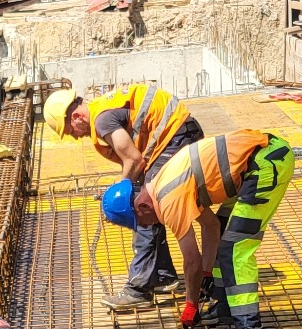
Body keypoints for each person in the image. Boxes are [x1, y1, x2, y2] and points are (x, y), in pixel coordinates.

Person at [101, 127, 295, 329]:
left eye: (140, 221)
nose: (146, 226)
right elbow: (212, 227)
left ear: (142, 206)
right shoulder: (161, 184)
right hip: (259, 161)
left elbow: (191, 261)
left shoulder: (168, 200)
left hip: (266, 164)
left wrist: (191, 304)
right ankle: (227, 309)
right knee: (224, 235)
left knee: (234, 251)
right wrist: (206, 274)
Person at [42, 83, 204, 313]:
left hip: (176, 138)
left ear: (77, 117)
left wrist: (119, 196)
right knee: (147, 202)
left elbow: (135, 160)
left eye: (70, 131)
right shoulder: (102, 110)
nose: (76, 137)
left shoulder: (102, 120)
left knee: (142, 207)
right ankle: (162, 276)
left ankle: (138, 290)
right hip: (179, 133)